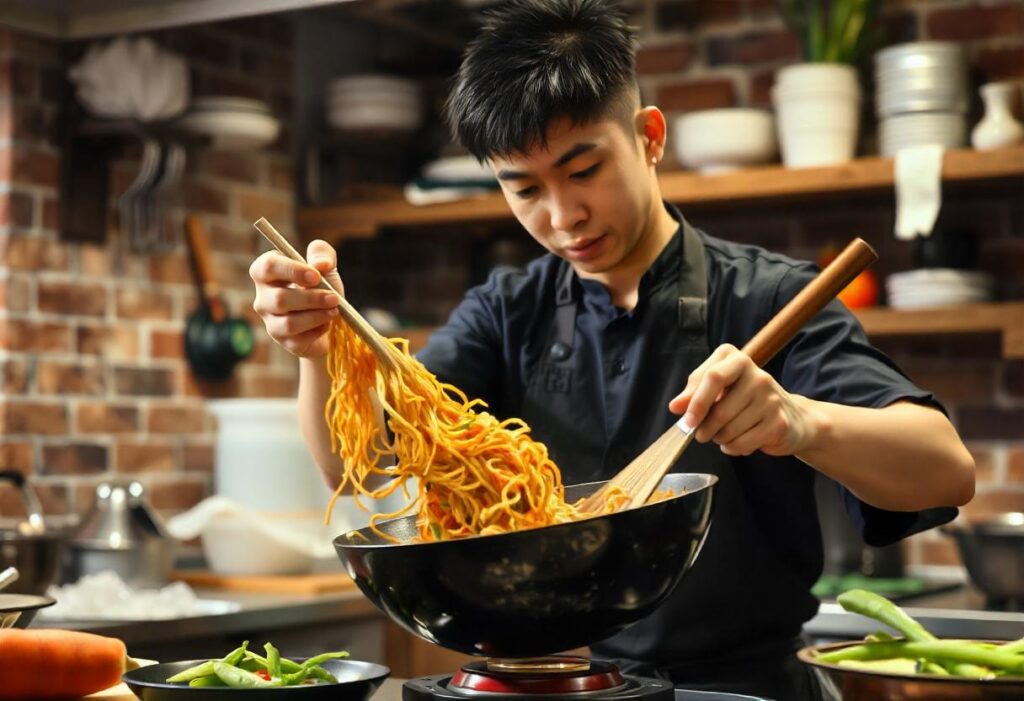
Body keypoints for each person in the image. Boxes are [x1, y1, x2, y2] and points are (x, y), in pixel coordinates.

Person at [249, 0, 975, 697]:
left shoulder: (768, 297)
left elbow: (945, 469)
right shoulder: (508, 311)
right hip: (557, 686)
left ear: (649, 136)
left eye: (584, 169)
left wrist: (800, 422)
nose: (563, 217)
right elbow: (365, 465)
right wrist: (318, 349)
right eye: (525, 188)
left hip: (741, 688)